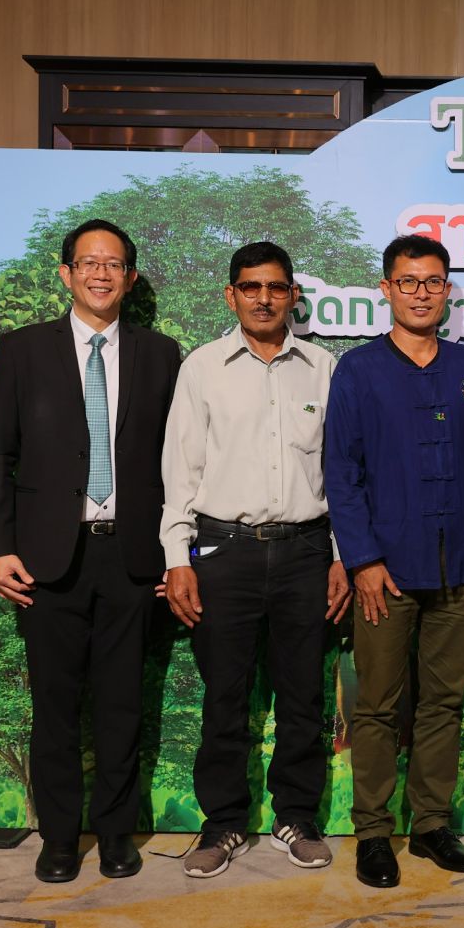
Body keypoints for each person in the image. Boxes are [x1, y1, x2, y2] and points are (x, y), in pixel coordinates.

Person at [0, 218, 181, 883]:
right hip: (46, 558)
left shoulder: (160, 354)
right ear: (66, 273)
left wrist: (176, 551)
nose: (101, 273)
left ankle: (117, 834)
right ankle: (60, 838)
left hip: (131, 556)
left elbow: (178, 461)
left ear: (130, 277)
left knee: (123, 706)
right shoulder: (24, 349)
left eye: (114, 263)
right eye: (89, 262)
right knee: (55, 708)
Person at [161, 241, 351, 879]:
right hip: (224, 553)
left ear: (293, 295)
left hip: (306, 552)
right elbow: (181, 471)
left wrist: (341, 555)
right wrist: (178, 558)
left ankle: (296, 817)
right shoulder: (202, 368)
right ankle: (223, 823)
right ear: (231, 295)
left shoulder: (323, 368)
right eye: (250, 287)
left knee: (303, 696)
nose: (263, 299)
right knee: (225, 697)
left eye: (275, 287)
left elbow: (342, 474)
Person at [324, 234, 464, 889]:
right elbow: (341, 473)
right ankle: (374, 832)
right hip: (386, 574)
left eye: (432, 282)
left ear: (446, 290)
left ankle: (430, 826)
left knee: (443, 703)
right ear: (387, 288)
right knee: (376, 705)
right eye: (408, 281)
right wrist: (362, 559)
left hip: (461, 569)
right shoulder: (358, 370)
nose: (420, 293)